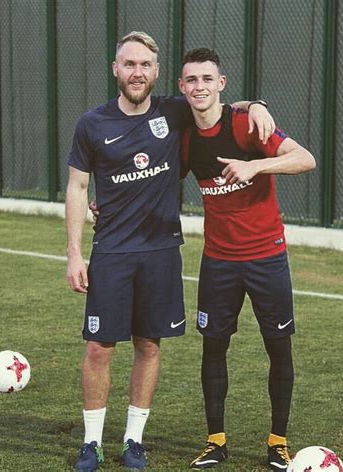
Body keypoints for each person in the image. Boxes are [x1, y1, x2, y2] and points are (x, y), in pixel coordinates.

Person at [65, 32, 275, 471]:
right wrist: (73, 252)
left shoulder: (173, 110)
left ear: (157, 73)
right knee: (99, 348)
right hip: (112, 252)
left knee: (150, 346)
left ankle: (133, 440)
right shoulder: (92, 123)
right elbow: (78, 187)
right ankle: (91, 443)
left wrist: (255, 105)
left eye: (145, 65)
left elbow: (217, 102)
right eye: (129, 64)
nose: (137, 72)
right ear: (115, 70)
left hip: (162, 252)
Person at [178, 48, 316, 471]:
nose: (199, 86)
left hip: (266, 258)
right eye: (191, 80)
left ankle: (278, 442)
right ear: (182, 87)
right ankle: (215, 441)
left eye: (207, 78)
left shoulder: (246, 123)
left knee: (278, 349)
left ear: (221, 83)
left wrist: (256, 167)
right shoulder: (183, 136)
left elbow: (305, 159)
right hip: (218, 261)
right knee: (213, 348)